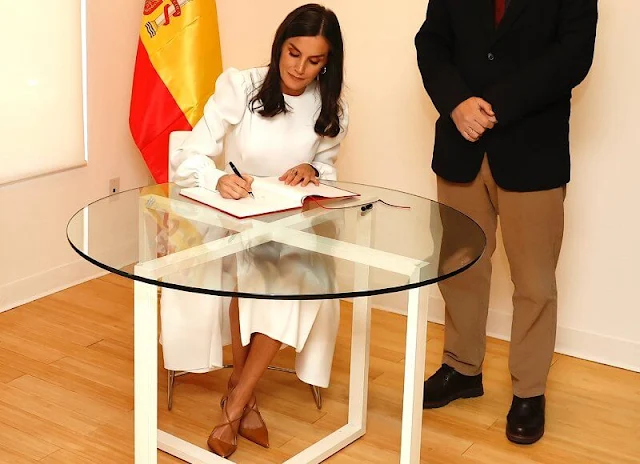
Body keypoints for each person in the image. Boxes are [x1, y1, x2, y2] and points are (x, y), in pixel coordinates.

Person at [166, 3, 348, 457]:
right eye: (293, 54)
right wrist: (216, 178)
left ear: (328, 62)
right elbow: (189, 156)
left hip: (289, 223)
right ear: (279, 45)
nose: (300, 69)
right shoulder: (240, 86)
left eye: (315, 61)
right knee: (256, 271)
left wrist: (312, 168)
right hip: (232, 218)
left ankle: (237, 398)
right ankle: (240, 404)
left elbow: (327, 170)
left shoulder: (332, 105)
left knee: (288, 276)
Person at [415, 0, 597, 445]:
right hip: (462, 145)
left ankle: (529, 392)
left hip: (532, 151)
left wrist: (496, 105)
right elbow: (431, 42)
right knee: (459, 268)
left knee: (534, 281)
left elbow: (573, 56)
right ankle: (461, 369)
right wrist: (457, 103)